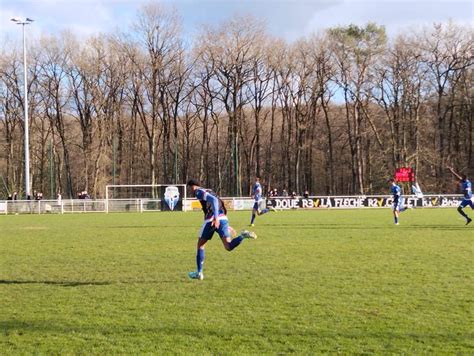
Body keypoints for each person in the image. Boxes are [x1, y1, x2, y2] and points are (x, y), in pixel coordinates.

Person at [187, 179, 257, 280]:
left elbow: (214, 201)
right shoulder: (210, 190)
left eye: (190, 188)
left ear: (192, 186)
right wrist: (224, 223)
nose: (191, 191)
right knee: (228, 246)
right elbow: (220, 204)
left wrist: (215, 218)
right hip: (223, 218)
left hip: (212, 220)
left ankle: (199, 273)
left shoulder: (199, 192)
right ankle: (242, 236)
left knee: (200, 245)